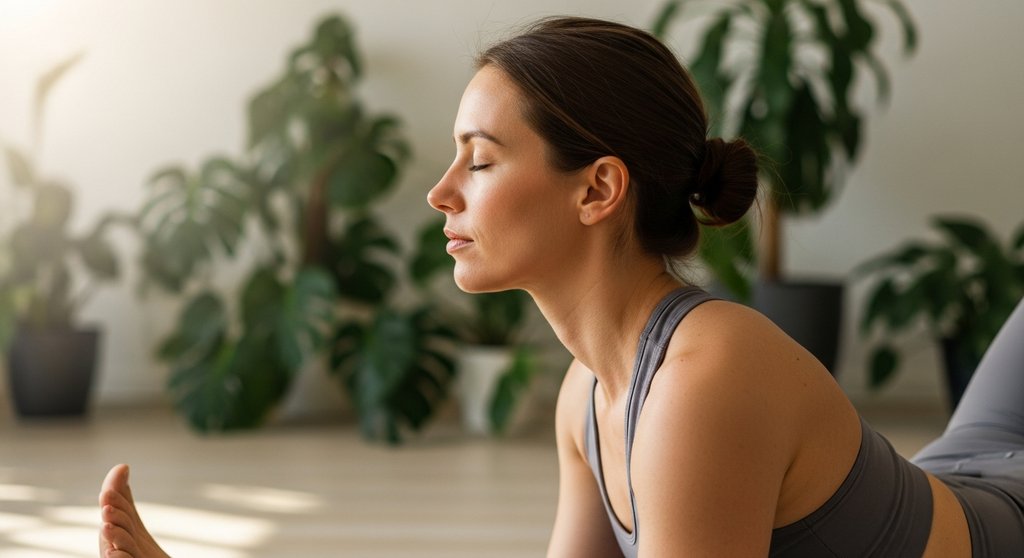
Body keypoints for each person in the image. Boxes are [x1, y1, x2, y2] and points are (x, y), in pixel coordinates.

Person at [98, 16, 1024, 557]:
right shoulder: (588, 394)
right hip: (970, 461)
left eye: (483, 160)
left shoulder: (706, 377)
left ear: (598, 189)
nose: (440, 192)